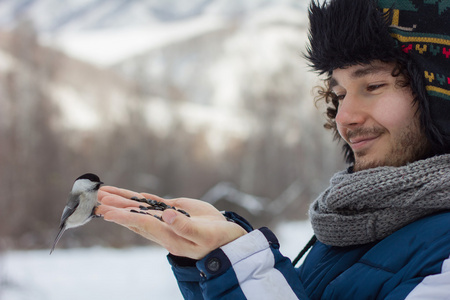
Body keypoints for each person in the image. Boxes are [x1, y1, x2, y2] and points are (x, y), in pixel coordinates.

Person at [96, 0, 450, 298]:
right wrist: (216, 258)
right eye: (338, 94)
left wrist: (244, 267)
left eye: (372, 85)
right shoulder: (353, 223)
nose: (345, 117)